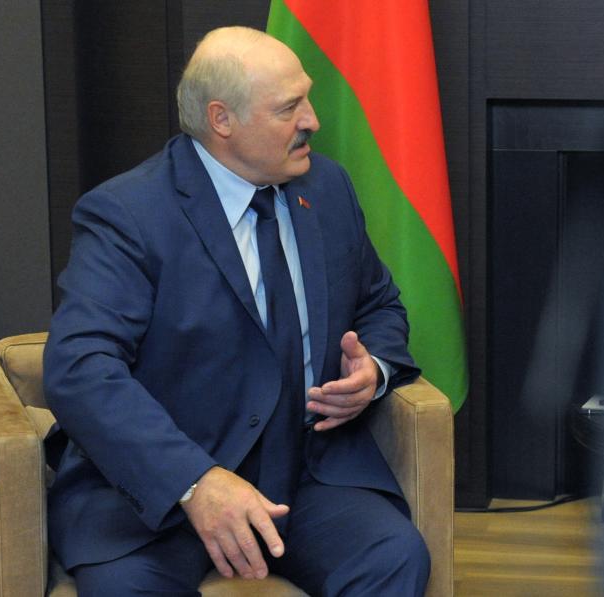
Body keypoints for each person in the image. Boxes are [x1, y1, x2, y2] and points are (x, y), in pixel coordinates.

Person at [42, 26, 430, 596]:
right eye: (289, 107)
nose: (313, 120)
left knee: (394, 558)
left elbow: (378, 303)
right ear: (222, 120)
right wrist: (195, 482)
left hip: (306, 472)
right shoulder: (128, 213)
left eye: (308, 97)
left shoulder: (326, 188)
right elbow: (80, 367)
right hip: (165, 490)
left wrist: (372, 368)